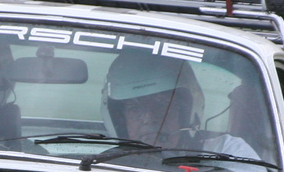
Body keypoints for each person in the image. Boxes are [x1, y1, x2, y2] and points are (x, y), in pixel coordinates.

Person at [102, 52, 262, 162]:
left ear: (186, 111)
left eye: (161, 104)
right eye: (135, 109)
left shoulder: (228, 154)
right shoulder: (102, 166)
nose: (149, 118)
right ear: (120, 119)